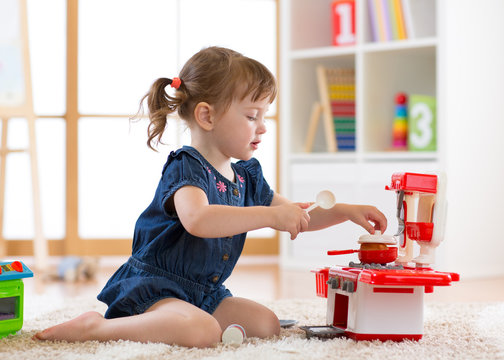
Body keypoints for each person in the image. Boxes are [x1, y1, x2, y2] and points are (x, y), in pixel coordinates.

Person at [34, 46, 387, 348]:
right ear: (207, 116)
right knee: (201, 332)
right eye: (252, 116)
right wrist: (267, 216)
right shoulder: (186, 167)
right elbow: (199, 219)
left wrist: (345, 211)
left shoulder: (247, 174)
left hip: (204, 292)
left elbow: (293, 214)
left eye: (264, 116)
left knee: (265, 324)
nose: (262, 127)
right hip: (156, 289)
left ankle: (186, 320)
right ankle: (99, 328)